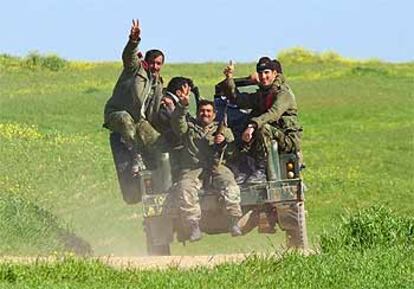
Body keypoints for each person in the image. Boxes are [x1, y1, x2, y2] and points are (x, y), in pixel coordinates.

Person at [171, 94, 242, 241]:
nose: (205, 114)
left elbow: (234, 153)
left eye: (209, 111)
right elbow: (178, 123)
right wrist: (182, 106)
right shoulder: (189, 129)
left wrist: (223, 143)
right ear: (197, 113)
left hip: (217, 167)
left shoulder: (222, 129)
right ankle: (193, 227)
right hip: (194, 169)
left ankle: (233, 221)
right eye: (202, 111)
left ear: (214, 114)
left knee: (230, 185)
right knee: (185, 188)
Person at [221, 57, 303, 184]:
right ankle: (244, 169)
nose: (263, 76)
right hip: (267, 137)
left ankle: (262, 170)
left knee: (262, 127)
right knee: (238, 134)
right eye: (261, 73)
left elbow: (274, 113)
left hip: (287, 139)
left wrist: (253, 125)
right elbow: (239, 100)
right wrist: (229, 78)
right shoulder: (263, 95)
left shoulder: (284, 93)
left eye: (267, 73)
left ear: (274, 74)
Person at [103, 19, 165, 175]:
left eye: (158, 64)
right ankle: (136, 156)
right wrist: (133, 41)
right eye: (152, 63)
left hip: (139, 119)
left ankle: (162, 173)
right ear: (146, 62)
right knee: (125, 119)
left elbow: (156, 108)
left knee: (157, 142)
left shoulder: (158, 83)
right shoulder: (135, 68)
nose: (155, 67)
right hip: (117, 113)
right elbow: (128, 56)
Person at [158, 76, 195, 182]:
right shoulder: (166, 104)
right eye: (187, 90)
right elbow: (175, 126)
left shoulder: (170, 102)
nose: (188, 94)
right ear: (179, 92)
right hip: (174, 148)